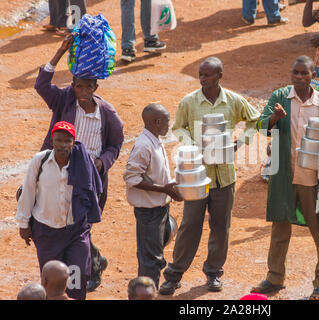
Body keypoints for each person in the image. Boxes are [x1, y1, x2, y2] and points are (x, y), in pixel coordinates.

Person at [159, 57, 261, 294]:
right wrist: (192, 146)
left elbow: (254, 119)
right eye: (201, 75)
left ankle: (213, 273)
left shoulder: (233, 101)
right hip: (196, 176)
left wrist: (239, 143)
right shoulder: (189, 102)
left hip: (224, 177)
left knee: (221, 227)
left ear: (220, 76)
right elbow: (178, 128)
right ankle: (174, 275)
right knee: (189, 226)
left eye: (208, 75)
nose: (203, 79)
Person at [34, 34, 124, 293]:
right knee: (65, 223)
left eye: (88, 88)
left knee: (81, 226)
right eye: (79, 87)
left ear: (96, 88)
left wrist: (100, 163)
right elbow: (41, 85)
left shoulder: (106, 114)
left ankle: (88, 266)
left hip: (89, 178)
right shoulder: (63, 100)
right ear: (72, 85)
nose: (83, 93)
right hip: (56, 173)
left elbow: (115, 145)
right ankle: (92, 261)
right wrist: (60, 52)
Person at [252, 56, 319, 300]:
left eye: (304, 73)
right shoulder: (280, 98)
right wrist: (275, 118)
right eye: (295, 73)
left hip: (313, 178)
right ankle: (274, 277)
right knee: (280, 228)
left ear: (313, 75)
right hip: (283, 176)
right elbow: (260, 126)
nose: (299, 77)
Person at [16, 121, 103, 300]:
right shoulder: (39, 161)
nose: (63, 145)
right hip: (46, 231)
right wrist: (24, 224)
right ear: (52, 140)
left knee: (77, 277)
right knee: (52, 280)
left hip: (75, 231)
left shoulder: (82, 164)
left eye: (67, 141)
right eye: (59, 140)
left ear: (73, 142)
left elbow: (92, 192)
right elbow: (28, 192)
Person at [123, 104, 183, 289]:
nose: (169, 125)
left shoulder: (155, 139)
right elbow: (132, 178)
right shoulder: (143, 146)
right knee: (151, 258)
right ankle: (148, 291)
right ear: (157, 122)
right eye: (166, 121)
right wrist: (165, 190)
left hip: (159, 207)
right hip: (149, 211)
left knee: (159, 244)